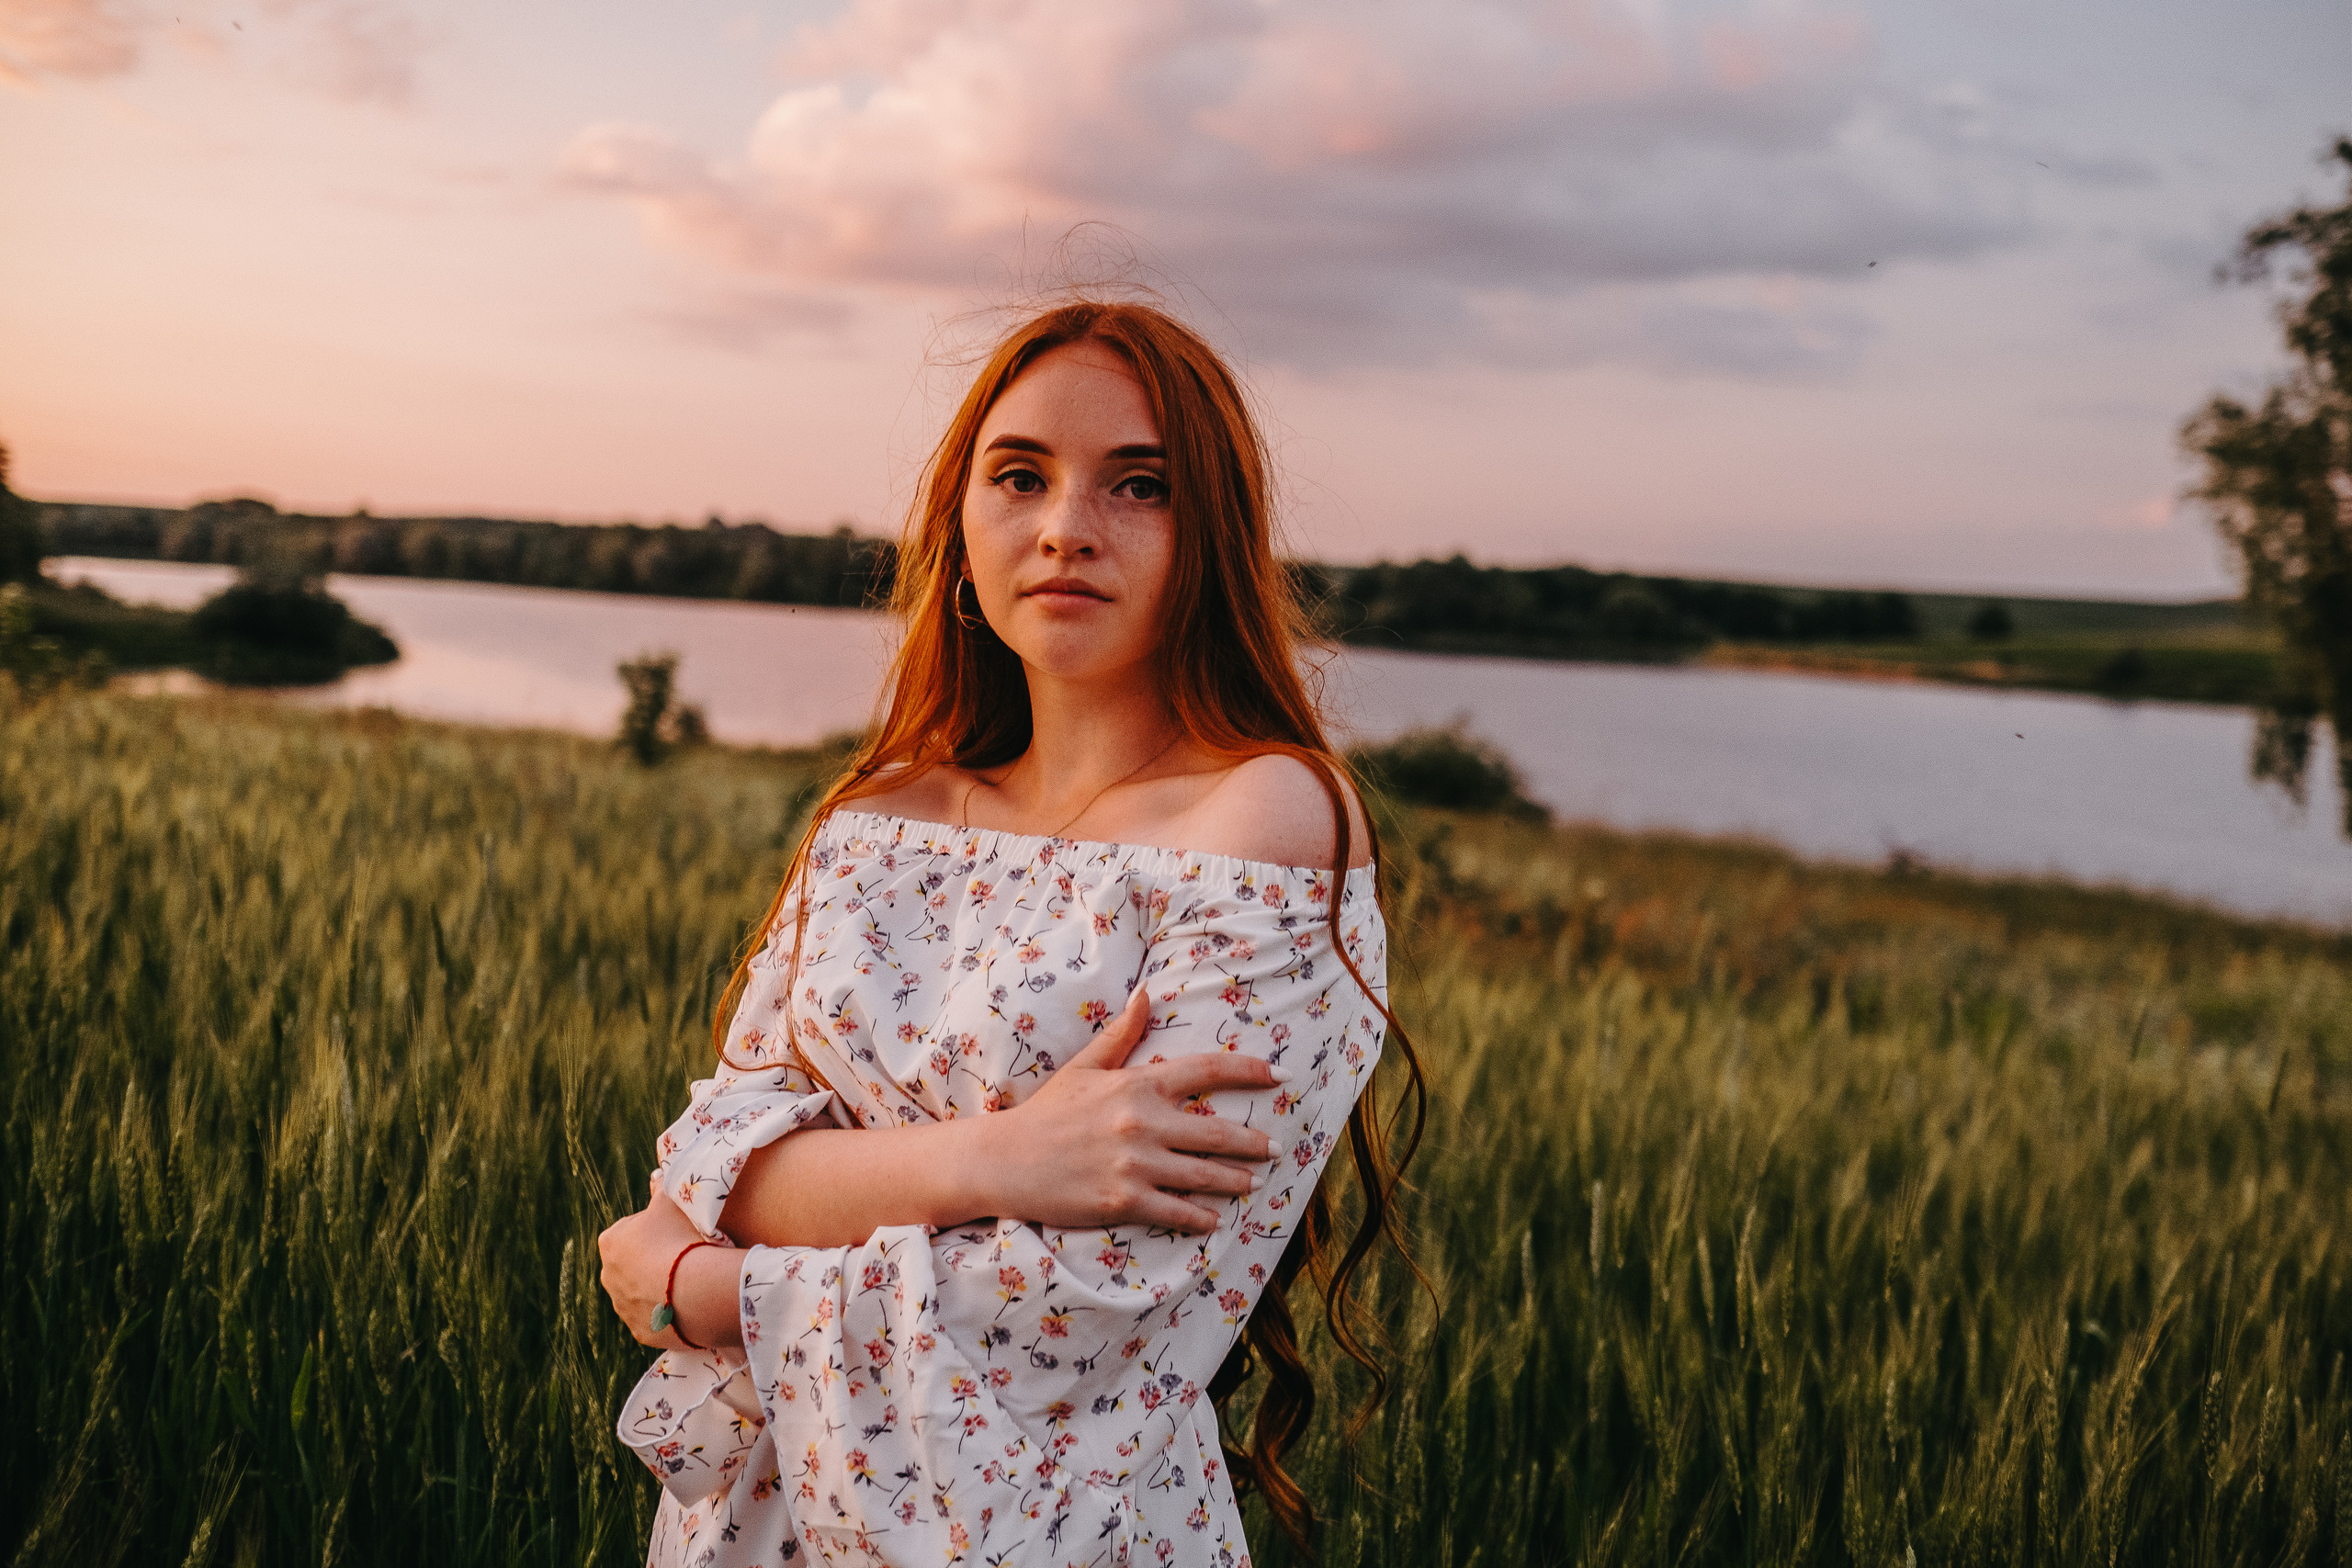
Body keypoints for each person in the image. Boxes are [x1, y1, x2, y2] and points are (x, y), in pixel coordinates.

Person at [596, 299, 1423, 1568]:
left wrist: (701, 1287)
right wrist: (1001, 1163)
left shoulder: (1264, 816)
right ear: (960, 523)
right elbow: (710, 1161)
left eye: (1138, 486)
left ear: (1211, 533)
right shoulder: (880, 818)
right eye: (1019, 475)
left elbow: (1078, 1308)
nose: (1065, 529)